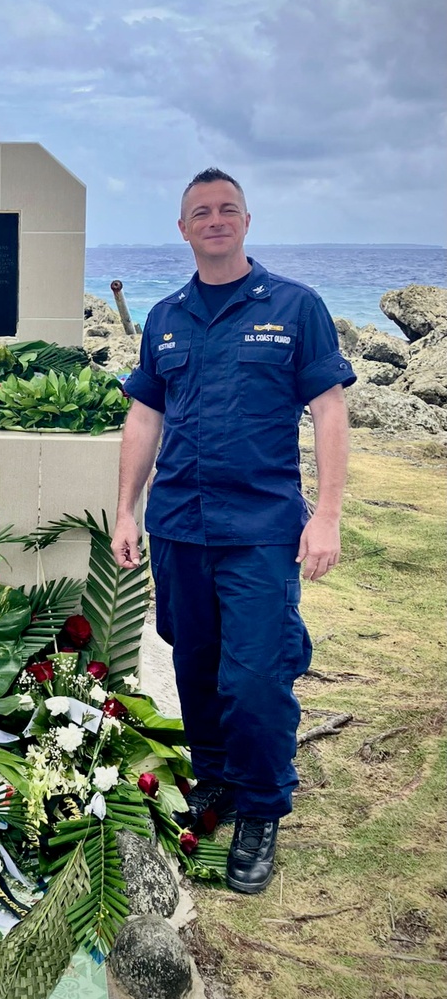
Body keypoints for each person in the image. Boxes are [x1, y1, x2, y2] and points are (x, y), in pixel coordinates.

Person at [113, 168, 355, 894]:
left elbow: (329, 411)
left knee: (255, 677)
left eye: (226, 209)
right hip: (181, 525)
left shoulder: (295, 306)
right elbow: (145, 416)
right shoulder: (165, 317)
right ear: (183, 230)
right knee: (195, 663)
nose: (214, 220)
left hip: (259, 529)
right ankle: (215, 781)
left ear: (246, 220)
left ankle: (259, 807)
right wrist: (126, 508)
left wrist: (329, 512)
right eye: (199, 212)